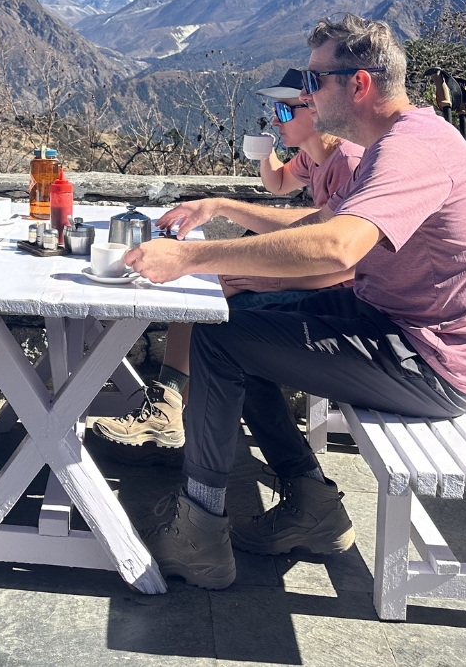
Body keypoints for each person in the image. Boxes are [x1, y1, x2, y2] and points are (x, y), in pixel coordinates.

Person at [124, 14, 466, 590]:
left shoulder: (411, 151)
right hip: (389, 321)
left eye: (313, 81)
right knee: (232, 325)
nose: (304, 95)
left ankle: (199, 532)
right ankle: (311, 505)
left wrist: (190, 258)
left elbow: (336, 248)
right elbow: (318, 223)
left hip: (431, 360)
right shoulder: (392, 144)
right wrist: (220, 215)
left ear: (360, 84)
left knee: (220, 342)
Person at [90, 69, 364, 463]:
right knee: (204, 288)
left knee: (207, 303)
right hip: (314, 279)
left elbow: (352, 259)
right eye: (274, 111)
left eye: (285, 111)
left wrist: (274, 281)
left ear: (316, 108)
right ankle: (170, 409)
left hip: (335, 298)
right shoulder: (313, 157)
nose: (275, 120)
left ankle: (171, 413)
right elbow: (281, 188)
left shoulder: (349, 162)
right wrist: (263, 156)